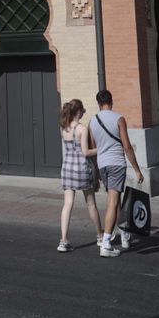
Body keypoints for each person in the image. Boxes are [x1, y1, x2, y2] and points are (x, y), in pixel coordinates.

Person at [90, 89, 144, 257]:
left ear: (98, 104)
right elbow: (127, 146)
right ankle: (106, 243)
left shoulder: (92, 121)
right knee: (113, 202)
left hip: (103, 164)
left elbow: (94, 148)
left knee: (116, 200)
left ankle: (125, 235)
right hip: (116, 163)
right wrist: (137, 170)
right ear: (111, 101)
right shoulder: (119, 119)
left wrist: (97, 170)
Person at [56, 99, 102, 253]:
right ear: (78, 112)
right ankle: (100, 236)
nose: (84, 112)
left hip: (67, 168)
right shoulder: (82, 129)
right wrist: (101, 148)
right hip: (82, 169)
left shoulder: (63, 127)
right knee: (91, 204)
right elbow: (86, 152)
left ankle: (63, 240)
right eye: (82, 110)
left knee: (67, 204)